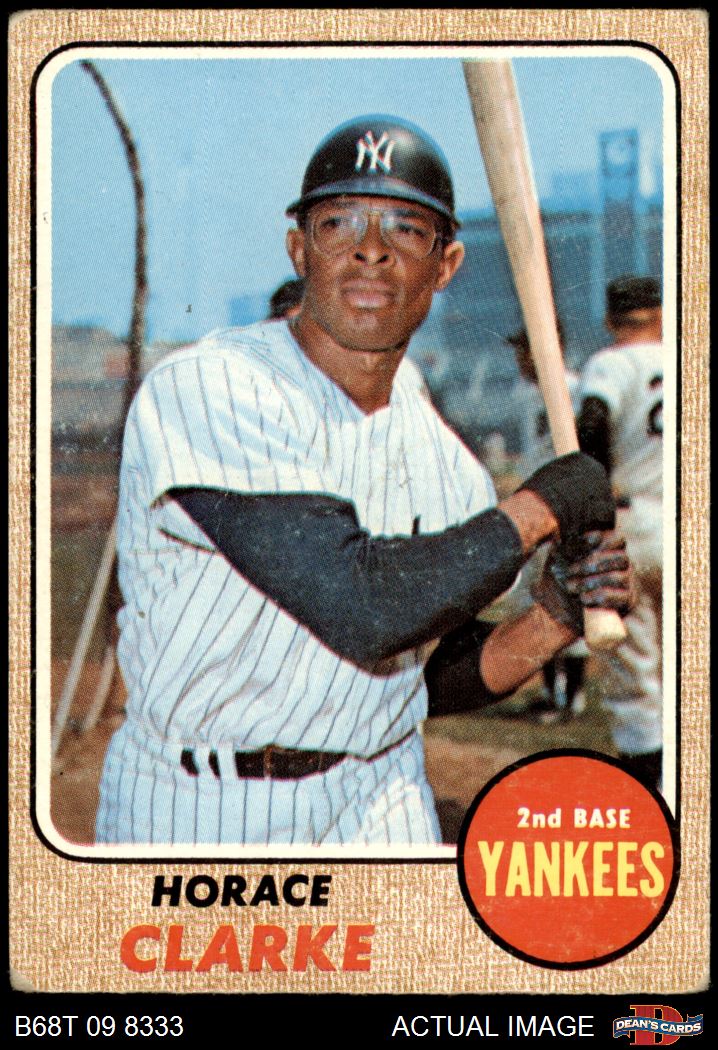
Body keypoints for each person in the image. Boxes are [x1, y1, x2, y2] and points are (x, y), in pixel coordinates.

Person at [95, 115, 634, 846]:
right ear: (299, 249)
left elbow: (416, 671)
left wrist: (554, 617)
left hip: (381, 794)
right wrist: (542, 506)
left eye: (406, 229)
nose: (370, 249)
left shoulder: (446, 462)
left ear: (446, 266)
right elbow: (364, 605)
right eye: (339, 222)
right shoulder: (210, 385)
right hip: (197, 800)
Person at [578, 275, 664, 788]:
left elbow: (591, 424)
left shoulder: (612, 362)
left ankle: (652, 794)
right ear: (661, 315)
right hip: (687, 524)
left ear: (612, 321)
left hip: (632, 522)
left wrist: (594, 505)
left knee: (635, 673)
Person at [505, 324, 588, 724]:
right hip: (533, 507)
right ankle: (548, 692)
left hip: (564, 509)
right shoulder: (525, 395)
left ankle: (572, 697)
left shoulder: (575, 388)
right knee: (535, 602)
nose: (520, 359)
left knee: (569, 598)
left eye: (526, 349)